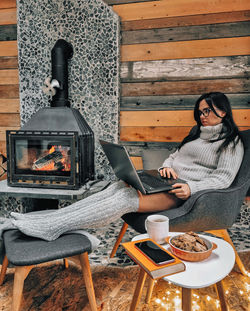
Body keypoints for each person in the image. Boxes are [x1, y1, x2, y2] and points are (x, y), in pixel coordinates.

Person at [0, 92, 244, 242]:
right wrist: (167, 167)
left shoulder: (232, 143)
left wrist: (192, 187)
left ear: (223, 110)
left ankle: (50, 225)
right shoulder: (196, 135)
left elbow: (224, 179)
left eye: (208, 111)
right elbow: (174, 157)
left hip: (183, 195)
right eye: (200, 111)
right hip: (166, 181)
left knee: (126, 198)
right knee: (117, 186)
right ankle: (49, 222)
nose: (202, 115)